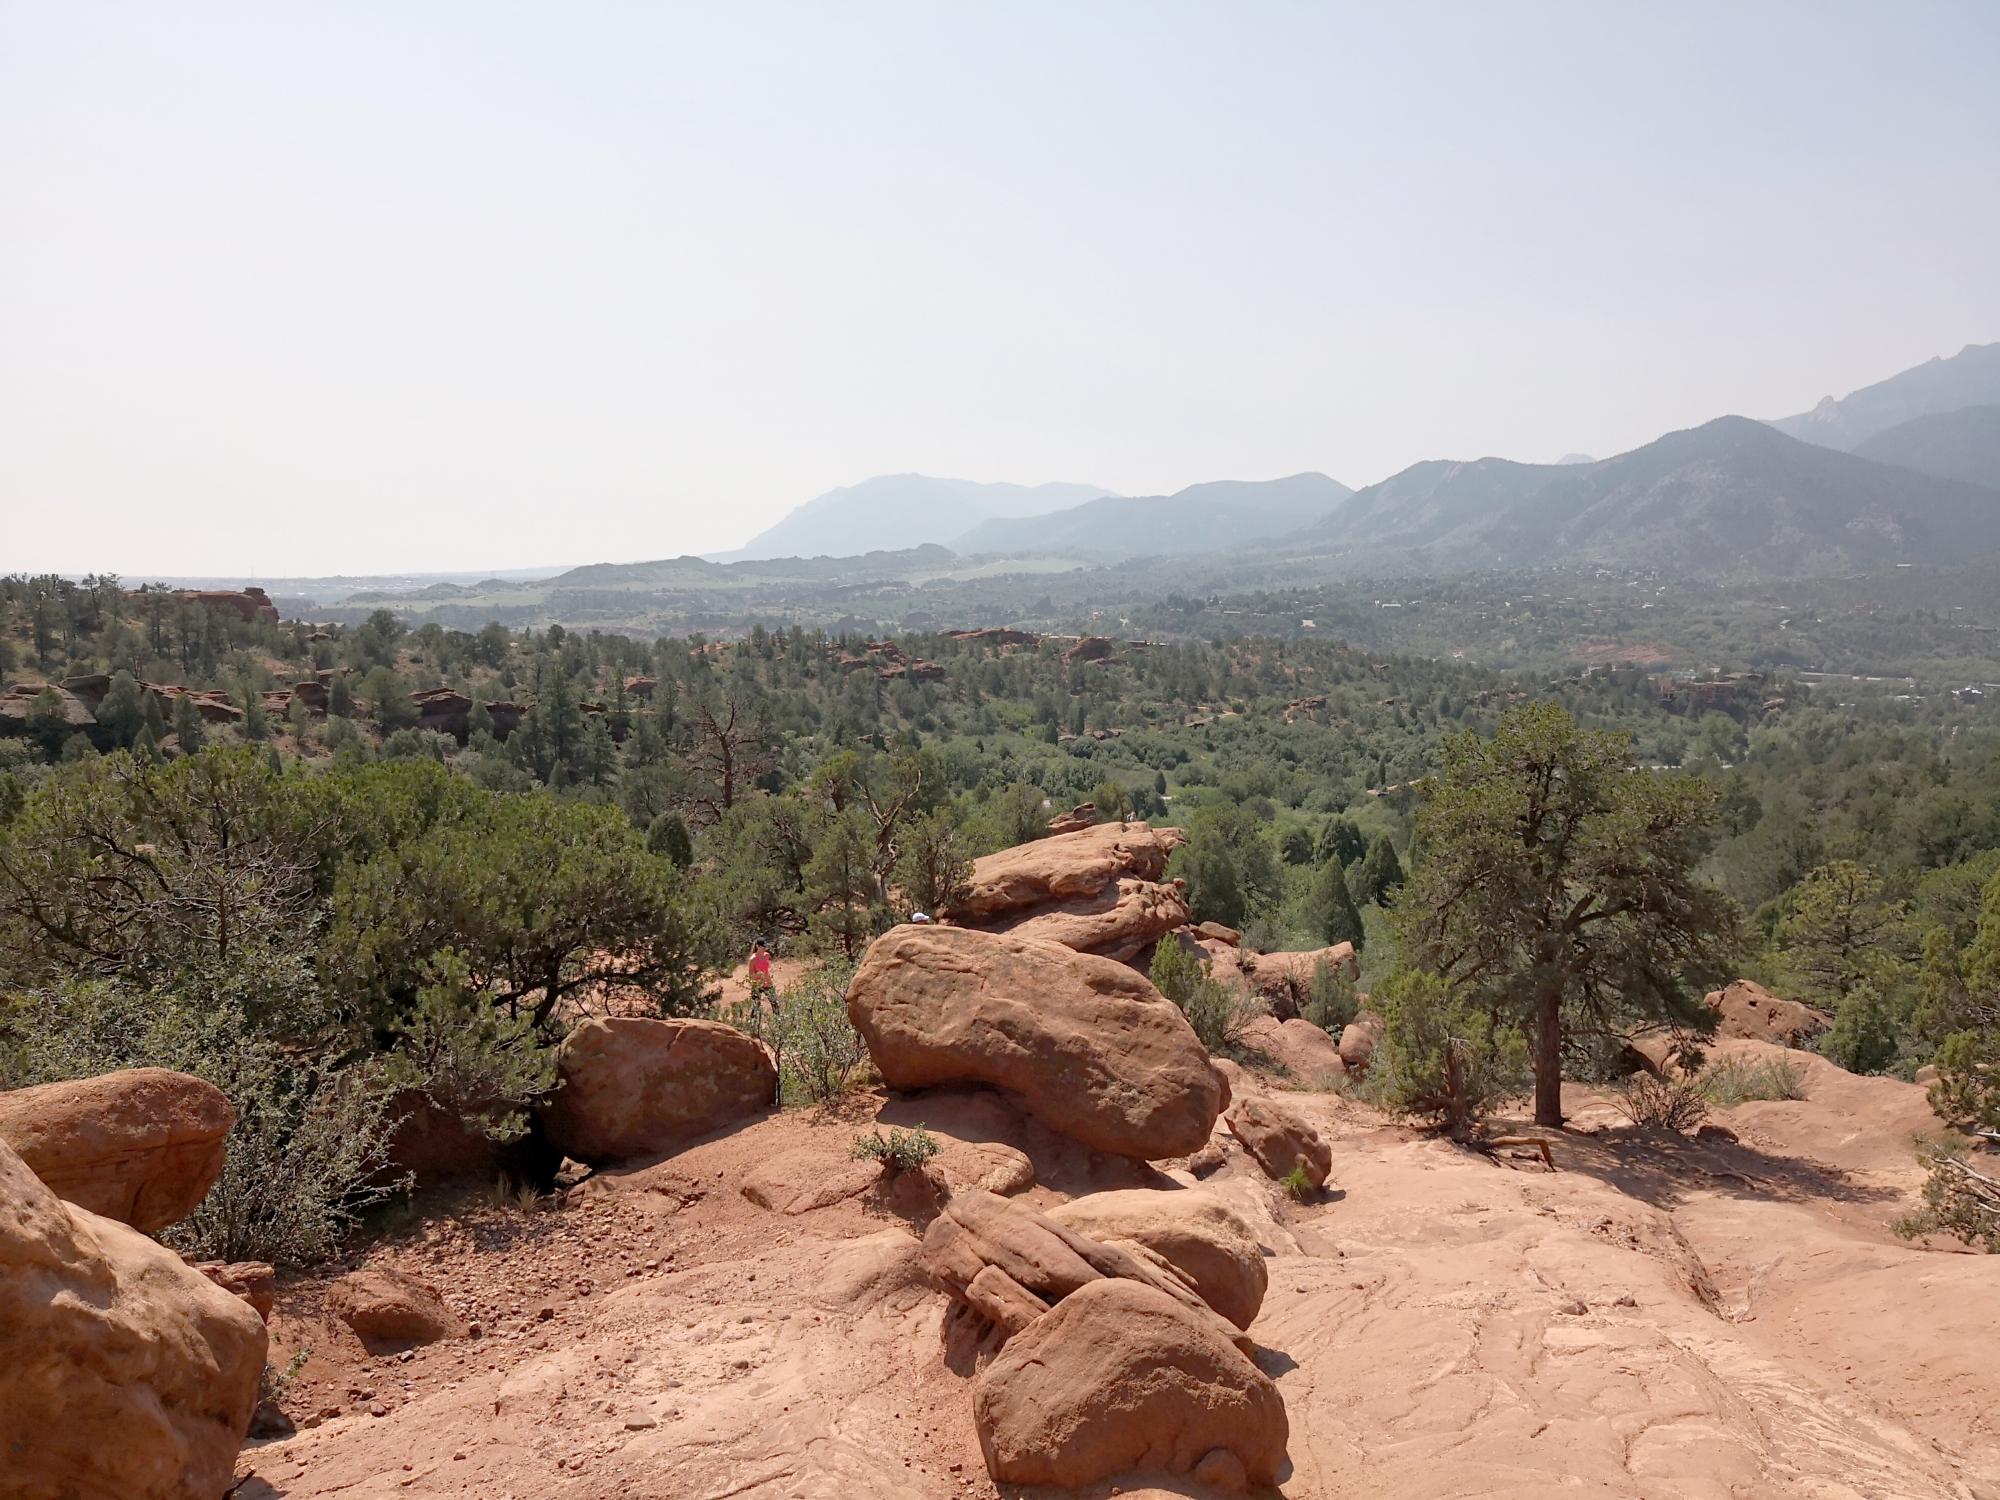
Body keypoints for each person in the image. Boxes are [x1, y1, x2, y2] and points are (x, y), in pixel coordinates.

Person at [747, 938, 775, 1012]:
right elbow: (750, 976)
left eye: (765, 947)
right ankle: (754, 1022)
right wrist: (758, 974)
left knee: (775, 1005)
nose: (764, 948)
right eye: (763, 947)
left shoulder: (767, 955)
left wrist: (770, 980)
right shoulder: (752, 959)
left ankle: (778, 1022)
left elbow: (767, 969)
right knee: (755, 1008)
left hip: (768, 984)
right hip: (757, 985)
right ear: (757, 946)